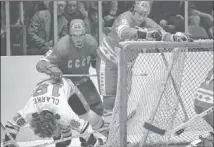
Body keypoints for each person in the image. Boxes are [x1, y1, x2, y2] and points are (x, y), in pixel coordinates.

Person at [96, 1, 189, 120]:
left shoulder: (148, 23)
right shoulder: (124, 17)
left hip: (126, 64)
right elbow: (123, 32)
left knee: (123, 96)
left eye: (144, 14)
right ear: (133, 10)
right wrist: (145, 34)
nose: (141, 17)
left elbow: (163, 34)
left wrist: (175, 37)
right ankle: (108, 130)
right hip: (108, 60)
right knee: (110, 97)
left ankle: (118, 127)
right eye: (139, 13)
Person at [36, 19, 106, 145]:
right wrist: (51, 68)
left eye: (81, 35)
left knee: (98, 110)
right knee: (63, 123)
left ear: (86, 33)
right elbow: (40, 63)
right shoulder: (62, 46)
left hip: (84, 81)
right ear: (69, 34)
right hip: (66, 86)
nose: (78, 39)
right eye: (75, 36)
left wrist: (104, 64)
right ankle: (65, 140)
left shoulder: (91, 42)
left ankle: (87, 141)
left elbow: (96, 63)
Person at [2, 78, 106, 147]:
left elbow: (85, 127)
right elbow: (11, 125)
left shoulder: (65, 114)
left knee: (85, 115)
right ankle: (62, 136)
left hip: (67, 86)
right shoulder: (29, 112)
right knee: (64, 140)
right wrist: (8, 143)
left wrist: (93, 142)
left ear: (57, 121)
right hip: (44, 85)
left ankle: (100, 129)